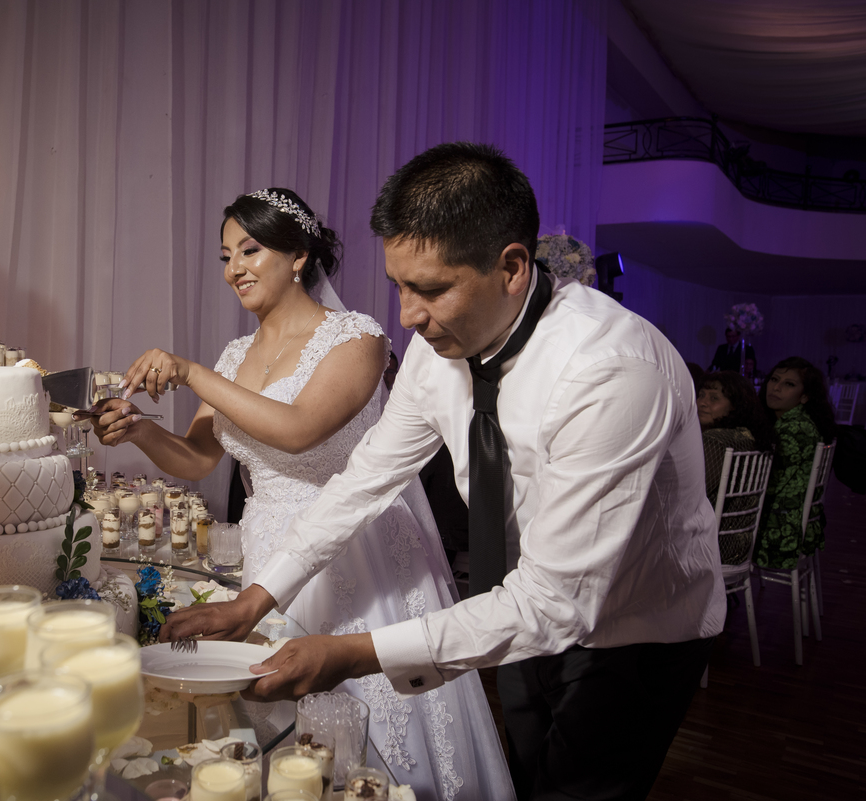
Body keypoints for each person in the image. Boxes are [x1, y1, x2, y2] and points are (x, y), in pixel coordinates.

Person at [161, 143, 726, 801]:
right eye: (398, 285)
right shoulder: (440, 348)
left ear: (512, 266)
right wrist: (258, 597)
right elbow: (365, 478)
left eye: (430, 288)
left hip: (636, 630)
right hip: (509, 598)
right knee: (525, 775)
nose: (406, 316)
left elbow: (556, 603)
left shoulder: (611, 372)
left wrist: (349, 652)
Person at [90, 188, 514, 801]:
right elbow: (199, 456)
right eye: (224, 255)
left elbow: (298, 432)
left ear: (298, 256)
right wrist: (141, 429)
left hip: (360, 554)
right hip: (272, 547)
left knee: (374, 726)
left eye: (250, 249)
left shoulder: (356, 338)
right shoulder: (234, 356)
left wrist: (189, 372)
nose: (234, 267)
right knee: (276, 725)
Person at [755, 357, 836, 570]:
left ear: (805, 396)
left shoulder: (795, 429)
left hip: (781, 529)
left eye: (788, 384)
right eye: (774, 379)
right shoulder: (798, 421)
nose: (776, 387)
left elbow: (765, 485)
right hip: (799, 524)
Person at [696, 371, 776, 564]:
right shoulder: (750, 436)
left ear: (735, 407)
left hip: (711, 546)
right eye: (701, 395)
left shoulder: (715, 440)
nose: (702, 403)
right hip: (740, 543)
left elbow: (692, 495)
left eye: (714, 398)